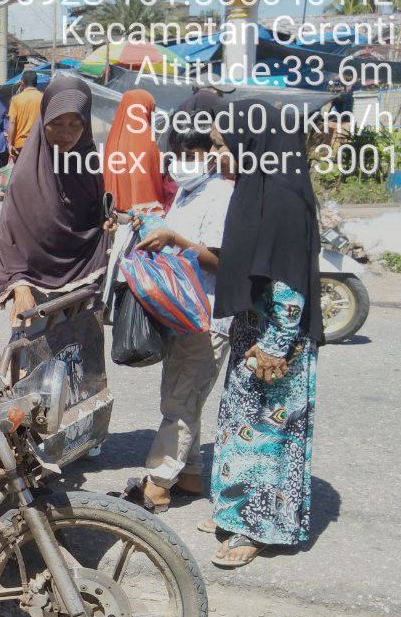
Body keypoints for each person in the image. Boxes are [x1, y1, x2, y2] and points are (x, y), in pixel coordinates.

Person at [206, 99, 322, 568]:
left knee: (266, 437)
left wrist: (274, 348)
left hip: (277, 344)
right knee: (241, 429)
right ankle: (235, 509)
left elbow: (289, 282)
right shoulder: (257, 187)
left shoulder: (282, 198)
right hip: (253, 335)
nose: (218, 155)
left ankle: (257, 527)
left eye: (223, 145)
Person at [122, 123, 235, 512]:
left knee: (180, 398)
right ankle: (189, 472)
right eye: (179, 155)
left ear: (210, 153)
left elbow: (220, 260)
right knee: (187, 394)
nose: (185, 163)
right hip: (181, 312)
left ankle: (158, 481)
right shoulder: (188, 193)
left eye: (193, 154)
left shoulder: (220, 193)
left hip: (206, 315)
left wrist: (174, 240)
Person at [0, 75, 108, 326]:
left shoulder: (89, 168)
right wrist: (20, 286)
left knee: (80, 359)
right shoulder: (26, 176)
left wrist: (108, 225)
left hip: (85, 285)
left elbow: (95, 220)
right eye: (56, 123)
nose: (65, 134)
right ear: (43, 118)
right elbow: (10, 236)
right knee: (35, 361)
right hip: (35, 290)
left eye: (74, 124)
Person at [103, 88, 172, 213]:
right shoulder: (142, 139)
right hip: (135, 217)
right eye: (152, 108)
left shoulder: (114, 137)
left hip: (112, 212)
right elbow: (141, 180)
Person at [6, 70, 44, 161]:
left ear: (22, 83)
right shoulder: (43, 97)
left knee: (23, 174)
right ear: (36, 82)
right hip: (39, 142)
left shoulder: (16, 99)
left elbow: (12, 121)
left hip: (21, 145)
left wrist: (10, 143)